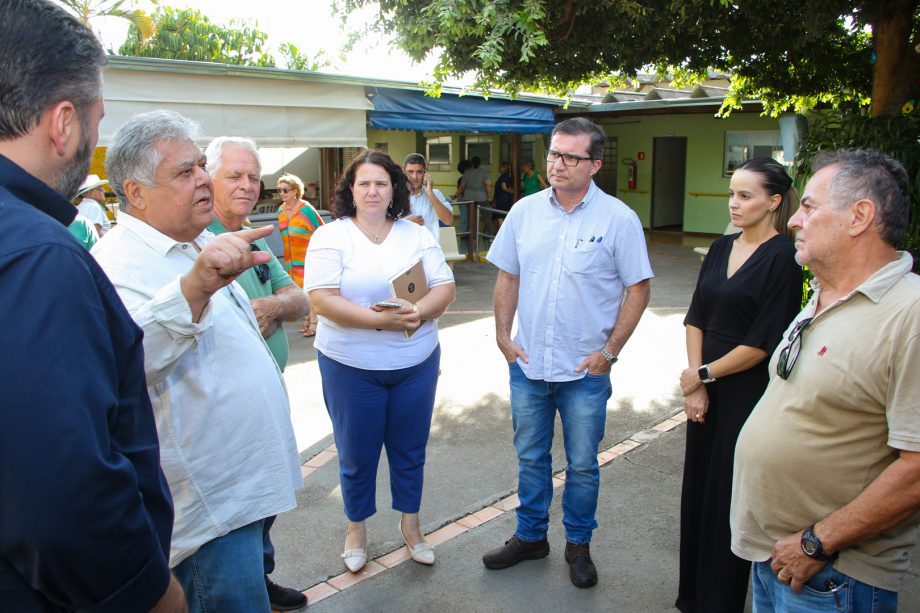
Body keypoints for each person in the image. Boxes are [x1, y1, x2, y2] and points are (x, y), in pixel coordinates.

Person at [0, 1, 184, 610]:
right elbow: (62, 495)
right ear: (63, 124)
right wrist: (151, 595)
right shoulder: (40, 259)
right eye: (97, 120)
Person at [93, 110, 302, 613]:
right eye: (186, 172)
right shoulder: (114, 264)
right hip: (207, 515)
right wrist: (196, 287)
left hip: (240, 496)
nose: (205, 180)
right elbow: (128, 365)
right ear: (136, 192)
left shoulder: (200, 240)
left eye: (202, 167)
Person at [731, 149, 920, 611]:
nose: (794, 219)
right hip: (776, 558)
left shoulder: (910, 313)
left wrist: (817, 542)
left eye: (809, 206)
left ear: (859, 216)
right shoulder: (823, 294)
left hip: (831, 574)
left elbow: (916, 469)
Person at [483, 117, 653, 588]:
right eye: (554, 154)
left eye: (570, 157)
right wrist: (502, 336)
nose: (557, 164)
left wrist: (610, 352)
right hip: (529, 364)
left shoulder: (617, 219)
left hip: (585, 371)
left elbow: (638, 289)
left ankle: (578, 545)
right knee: (530, 457)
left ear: (595, 164)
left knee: (581, 464)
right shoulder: (524, 212)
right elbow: (508, 277)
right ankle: (530, 537)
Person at [304, 150, 456, 574]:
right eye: (364, 183)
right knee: (357, 452)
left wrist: (419, 313)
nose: (372, 190)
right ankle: (357, 529)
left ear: (395, 190)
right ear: (350, 190)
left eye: (381, 183)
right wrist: (379, 321)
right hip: (350, 366)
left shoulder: (416, 234)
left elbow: (445, 286)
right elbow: (322, 300)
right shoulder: (330, 236)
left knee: (410, 449)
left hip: (416, 361)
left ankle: (412, 525)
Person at [675, 158, 803, 613]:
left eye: (745, 195)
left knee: (730, 497)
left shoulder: (784, 259)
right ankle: (692, 596)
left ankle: (720, 601)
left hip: (745, 393)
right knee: (698, 490)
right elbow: (696, 318)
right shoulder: (718, 247)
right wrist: (694, 384)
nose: (734, 203)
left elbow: (763, 343)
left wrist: (704, 375)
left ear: (773, 201)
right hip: (704, 390)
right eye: (731, 193)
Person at [205, 136, 308, 612]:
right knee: (234, 516)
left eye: (253, 176)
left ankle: (259, 581)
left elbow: (299, 299)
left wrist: (272, 304)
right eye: (234, 176)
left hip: (268, 396)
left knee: (265, 504)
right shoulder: (194, 242)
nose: (247, 186)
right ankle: (243, 589)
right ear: (208, 177)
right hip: (223, 412)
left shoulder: (257, 234)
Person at [278, 173, 324, 336]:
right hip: (290, 259)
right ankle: (307, 320)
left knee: (309, 291)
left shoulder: (306, 210)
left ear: (295, 191)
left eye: (285, 190)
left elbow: (321, 230)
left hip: (307, 257)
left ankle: (314, 323)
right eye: (280, 190)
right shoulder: (281, 211)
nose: (282, 193)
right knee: (300, 291)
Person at [404, 152, 454, 238]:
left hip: (430, 248)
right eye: (410, 172)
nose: (415, 177)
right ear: (404, 172)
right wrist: (405, 222)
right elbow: (383, 224)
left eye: (419, 172)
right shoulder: (395, 195)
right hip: (406, 249)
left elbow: (448, 220)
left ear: (425, 174)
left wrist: (430, 194)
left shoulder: (435, 194)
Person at [460, 155, 492, 236]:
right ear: (479, 163)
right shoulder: (484, 173)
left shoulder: (467, 173)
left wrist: (455, 195)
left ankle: (473, 236)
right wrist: (489, 197)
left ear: (472, 163)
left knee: (472, 218)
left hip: (469, 198)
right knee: (487, 217)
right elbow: (489, 185)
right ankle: (490, 235)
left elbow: (462, 187)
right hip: (482, 198)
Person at [492, 160, 514, 233]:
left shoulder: (504, 176)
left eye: (501, 167)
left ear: (504, 168)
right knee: (501, 217)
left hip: (502, 199)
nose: (499, 168)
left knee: (500, 217)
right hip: (503, 199)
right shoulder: (506, 176)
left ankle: (502, 233)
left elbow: (503, 186)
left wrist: (508, 190)